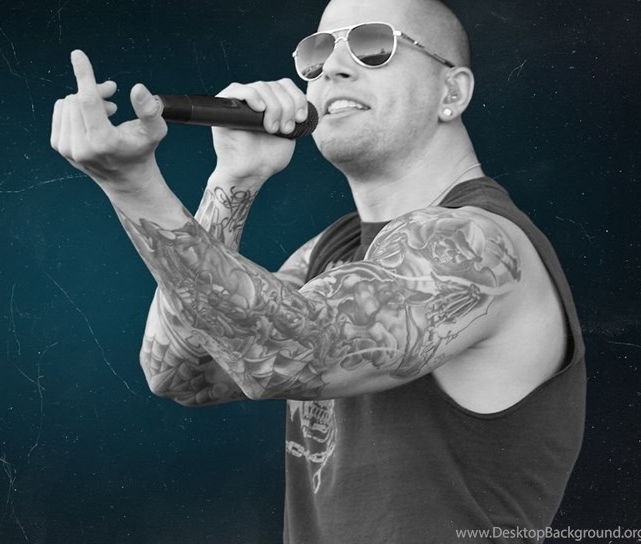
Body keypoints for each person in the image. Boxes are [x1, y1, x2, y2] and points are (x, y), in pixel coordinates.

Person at [50, 0, 586, 541]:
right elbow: (182, 372)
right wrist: (234, 179)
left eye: (374, 46)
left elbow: (282, 357)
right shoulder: (334, 250)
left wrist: (134, 188)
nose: (332, 67)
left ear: (452, 92)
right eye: (318, 51)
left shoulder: (477, 243)